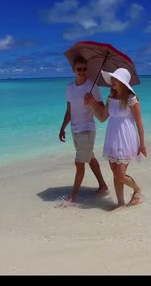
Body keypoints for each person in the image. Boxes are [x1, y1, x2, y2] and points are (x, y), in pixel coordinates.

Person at [85, 68, 147, 210]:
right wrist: (92, 103)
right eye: (112, 78)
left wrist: (142, 144)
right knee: (115, 173)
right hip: (112, 137)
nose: (112, 81)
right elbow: (102, 118)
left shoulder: (132, 99)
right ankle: (120, 204)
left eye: (115, 79)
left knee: (120, 175)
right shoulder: (111, 99)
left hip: (126, 138)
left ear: (123, 82)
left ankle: (137, 189)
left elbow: (139, 123)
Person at [59, 56, 109, 203]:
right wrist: (62, 127)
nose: (82, 72)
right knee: (90, 158)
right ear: (73, 70)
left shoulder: (92, 86)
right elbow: (69, 110)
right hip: (74, 129)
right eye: (79, 69)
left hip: (87, 129)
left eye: (85, 69)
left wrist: (92, 101)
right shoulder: (70, 88)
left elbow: (102, 111)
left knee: (79, 163)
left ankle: (73, 196)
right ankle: (103, 186)